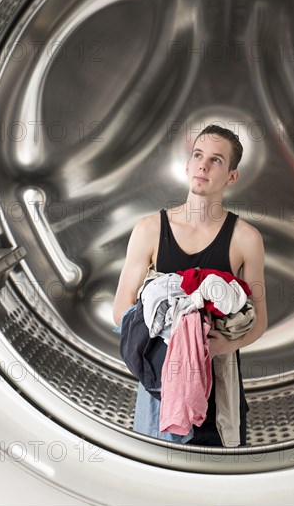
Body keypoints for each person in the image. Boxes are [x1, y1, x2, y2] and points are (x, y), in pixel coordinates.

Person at [112, 124, 268, 446]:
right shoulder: (149, 230)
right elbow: (121, 308)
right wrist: (171, 337)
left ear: (231, 177)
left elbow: (259, 321)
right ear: (187, 165)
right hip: (161, 384)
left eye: (216, 160)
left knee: (217, 480)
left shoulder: (246, 240)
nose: (203, 165)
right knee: (158, 479)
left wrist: (222, 346)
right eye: (198, 155)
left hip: (219, 384)